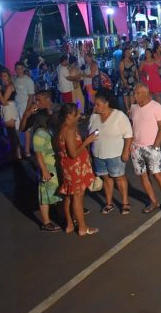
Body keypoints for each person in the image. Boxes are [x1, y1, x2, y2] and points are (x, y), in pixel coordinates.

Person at [129, 83, 161, 217]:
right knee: (142, 176)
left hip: (151, 147)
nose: (135, 96)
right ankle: (153, 202)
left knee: (157, 175)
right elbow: (133, 126)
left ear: (145, 93)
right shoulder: (133, 107)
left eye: (137, 93)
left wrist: (156, 145)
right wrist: (130, 145)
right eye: (134, 93)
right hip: (136, 147)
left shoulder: (156, 107)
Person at [55, 102, 99, 235]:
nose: (79, 115)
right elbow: (73, 153)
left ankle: (69, 224)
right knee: (77, 197)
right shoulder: (69, 130)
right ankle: (82, 228)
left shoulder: (64, 127)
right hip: (75, 167)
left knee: (69, 195)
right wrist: (87, 141)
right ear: (69, 115)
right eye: (77, 113)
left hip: (69, 167)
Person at [88, 90, 133, 215]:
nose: (95, 107)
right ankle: (109, 203)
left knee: (119, 178)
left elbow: (128, 135)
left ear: (106, 103)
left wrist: (126, 151)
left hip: (115, 154)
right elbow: (90, 134)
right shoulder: (94, 117)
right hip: (98, 155)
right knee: (106, 178)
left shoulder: (119, 115)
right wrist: (89, 153)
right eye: (95, 104)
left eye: (98, 104)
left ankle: (125, 203)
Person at [30, 109, 63, 232]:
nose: (52, 117)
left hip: (54, 165)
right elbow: (38, 154)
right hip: (47, 167)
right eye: (49, 115)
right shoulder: (39, 133)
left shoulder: (47, 130)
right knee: (45, 194)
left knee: (56, 192)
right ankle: (46, 222)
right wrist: (44, 171)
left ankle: (61, 217)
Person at [118, 47, 139, 111]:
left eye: (129, 52)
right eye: (126, 52)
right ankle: (128, 110)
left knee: (132, 96)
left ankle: (132, 110)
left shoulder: (133, 61)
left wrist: (138, 80)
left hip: (133, 81)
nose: (128, 53)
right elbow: (121, 74)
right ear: (124, 53)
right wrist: (124, 83)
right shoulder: (122, 62)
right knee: (126, 96)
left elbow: (136, 71)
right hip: (125, 81)